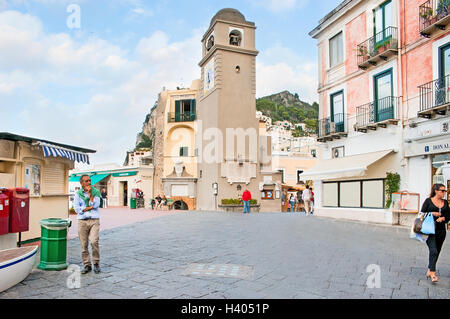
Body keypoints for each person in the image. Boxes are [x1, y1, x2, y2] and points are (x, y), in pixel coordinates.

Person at [421, 184, 449, 283]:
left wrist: (443, 218)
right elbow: (421, 214)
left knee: (437, 251)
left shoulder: (445, 202)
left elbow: (448, 215)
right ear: (436, 191)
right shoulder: (428, 201)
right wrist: (432, 213)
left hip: (441, 231)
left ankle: (429, 269)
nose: (444, 192)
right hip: (430, 230)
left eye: (445, 191)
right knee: (433, 251)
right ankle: (433, 274)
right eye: (442, 191)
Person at [73, 175, 101, 274]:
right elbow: (76, 209)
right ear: (81, 183)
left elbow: (96, 205)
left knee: (94, 241)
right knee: (83, 244)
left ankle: (96, 263)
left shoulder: (95, 192)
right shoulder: (77, 194)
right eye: (86, 181)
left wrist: (90, 194)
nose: (89, 182)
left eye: (90, 180)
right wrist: (86, 208)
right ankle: (87, 265)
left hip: (94, 220)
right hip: (82, 221)